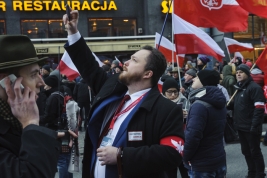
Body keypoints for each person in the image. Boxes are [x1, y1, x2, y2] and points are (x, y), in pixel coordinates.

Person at [63, 9, 185, 178]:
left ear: (147, 74)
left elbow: (172, 153)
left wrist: (121, 155)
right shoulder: (113, 91)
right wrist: (73, 32)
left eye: (134, 60)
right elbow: (89, 67)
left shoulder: (166, 109)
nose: (126, 63)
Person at [0, 35, 61, 177]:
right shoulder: (23, 121)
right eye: (33, 75)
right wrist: (30, 124)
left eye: (39, 73)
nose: (41, 82)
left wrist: (45, 135)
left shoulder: (13, 120)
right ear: (7, 81)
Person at [184, 70, 227, 178]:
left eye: (197, 77)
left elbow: (193, 136)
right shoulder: (218, 100)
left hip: (201, 163)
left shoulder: (199, 105)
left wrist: (185, 157)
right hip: (218, 159)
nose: (193, 79)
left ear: (204, 81)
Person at [230, 64, 266, 178]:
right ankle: (252, 172)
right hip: (241, 126)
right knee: (246, 152)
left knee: (254, 152)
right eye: (237, 72)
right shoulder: (239, 88)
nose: (238, 74)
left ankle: (259, 174)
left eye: (241, 72)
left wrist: (254, 125)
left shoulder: (254, 88)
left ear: (247, 73)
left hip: (251, 127)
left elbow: (259, 109)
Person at [40, 75, 74, 178]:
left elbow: (48, 117)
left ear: (49, 85)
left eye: (45, 84)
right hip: (67, 129)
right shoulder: (63, 92)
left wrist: (36, 119)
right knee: (67, 158)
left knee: (61, 160)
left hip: (57, 130)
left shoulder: (53, 97)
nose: (44, 86)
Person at [161, 77, 189, 178]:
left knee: (186, 171)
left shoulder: (185, 101)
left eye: (175, 92)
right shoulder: (159, 104)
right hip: (167, 144)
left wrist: (187, 116)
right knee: (169, 173)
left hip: (183, 141)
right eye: (170, 92)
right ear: (164, 92)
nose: (173, 95)